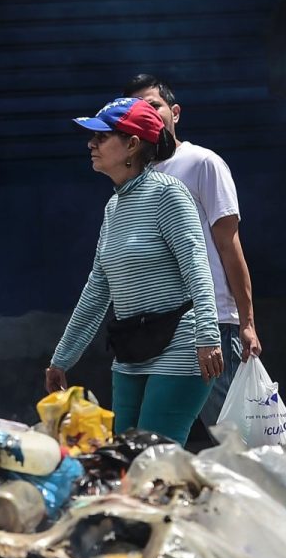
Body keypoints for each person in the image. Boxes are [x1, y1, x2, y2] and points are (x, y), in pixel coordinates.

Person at [46, 96, 223, 441]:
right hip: (131, 350)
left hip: (181, 345)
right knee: (125, 460)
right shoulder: (114, 207)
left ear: (132, 145)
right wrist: (61, 360)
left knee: (152, 459)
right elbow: (97, 289)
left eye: (101, 137)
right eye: (92, 137)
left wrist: (208, 335)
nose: (91, 144)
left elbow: (197, 267)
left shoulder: (168, 194)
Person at [124, 75, 259, 433]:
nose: (149, 115)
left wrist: (246, 323)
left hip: (210, 320)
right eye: (139, 110)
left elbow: (230, 244)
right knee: (166, 429)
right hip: (158, 325)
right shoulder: (135, 177)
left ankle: (281, 486)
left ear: (175, 113)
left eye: (154, 106)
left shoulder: (202, 163)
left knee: (237, 429)